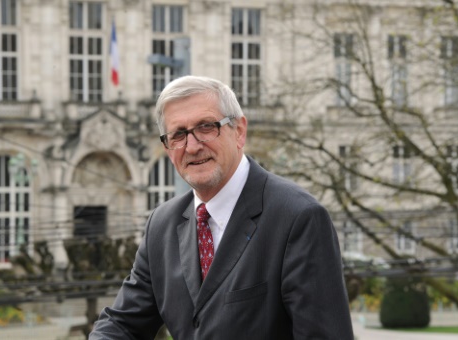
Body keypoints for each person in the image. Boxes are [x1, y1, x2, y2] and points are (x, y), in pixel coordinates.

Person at [89, 75, 354, 339]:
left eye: (206, 127)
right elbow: (122, 324)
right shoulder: (162, 224)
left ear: (239, 131)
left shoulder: (298, 218)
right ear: (168, 148)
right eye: (178, 134)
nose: (192, 146)